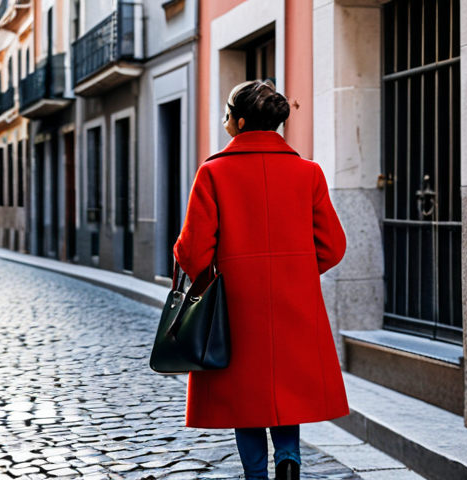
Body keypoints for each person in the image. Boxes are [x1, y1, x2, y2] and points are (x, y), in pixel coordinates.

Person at [173, 80, 349, 480]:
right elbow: (333, 246)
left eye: (226, 115)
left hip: (236, 306)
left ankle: (256, 475)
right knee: (286, 387)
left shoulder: (213, 173)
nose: (224, 122)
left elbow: (193, 252)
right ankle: (288, 460)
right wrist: (297, 270)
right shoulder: (309, 173)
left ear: (239, 120)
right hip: (294, 301)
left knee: (245, 394)